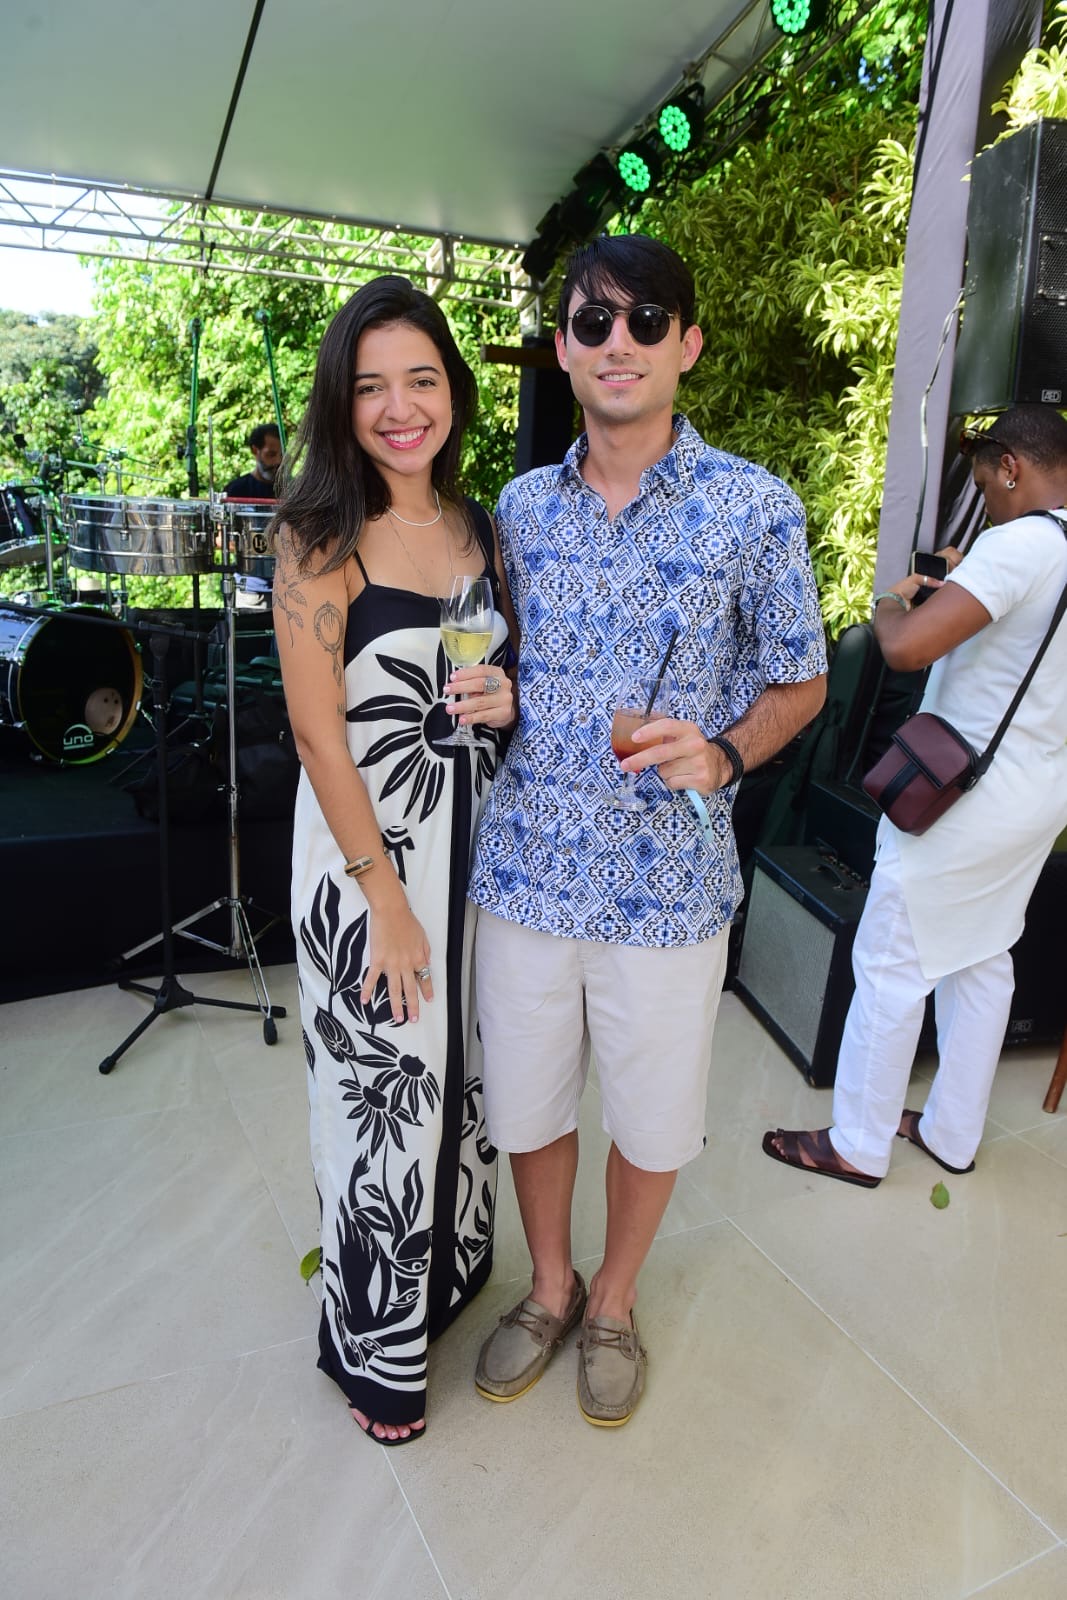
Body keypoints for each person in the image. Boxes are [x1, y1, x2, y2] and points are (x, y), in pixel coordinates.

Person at [467, 234, 827, 1427]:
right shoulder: (519, 508)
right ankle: (549, 1286)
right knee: (528, 1101)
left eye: (643, 320)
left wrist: (723, 752)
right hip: (525, 865)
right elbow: (512, 659)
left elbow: (801, 679)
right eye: (591, 322)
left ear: (687, 344)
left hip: (667, 880)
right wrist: (502, 692)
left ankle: (613, 1300)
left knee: (654, 1113)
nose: (615, 342)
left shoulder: (754, 507)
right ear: (563, 349)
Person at [272, 276, 517, 1445]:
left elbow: (492, 693)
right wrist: (386, 900)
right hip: (367, 874)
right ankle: (377, 1358)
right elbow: (317, 733)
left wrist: (503, 697)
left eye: (420, 379)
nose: (399, 407)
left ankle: (444, 1283)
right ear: (342, 402)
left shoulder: (479, 530)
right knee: (383, 1097)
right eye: (370, 386)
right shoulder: (316, 536)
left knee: (461, 1078)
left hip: (471, 855)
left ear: (453, 393)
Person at [763, 403, 1067, 1187]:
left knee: (892, 957)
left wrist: (894, 599)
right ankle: (949, 1134)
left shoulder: (1019, 545)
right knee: (983, 957)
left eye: (985, 485)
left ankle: (857, 1144)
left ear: (1011, 467)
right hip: (1040, 794)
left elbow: (901, 648)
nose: (987, 503)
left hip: (962, 797)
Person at [223, 424, 283, 608]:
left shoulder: (295, 489)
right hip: (251, 590)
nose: (278, 461)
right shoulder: (236, 490)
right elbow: (220, 538)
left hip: (290, 587)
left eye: (282, 455)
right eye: (271, 454)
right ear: (255, 451)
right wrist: (255, 546)